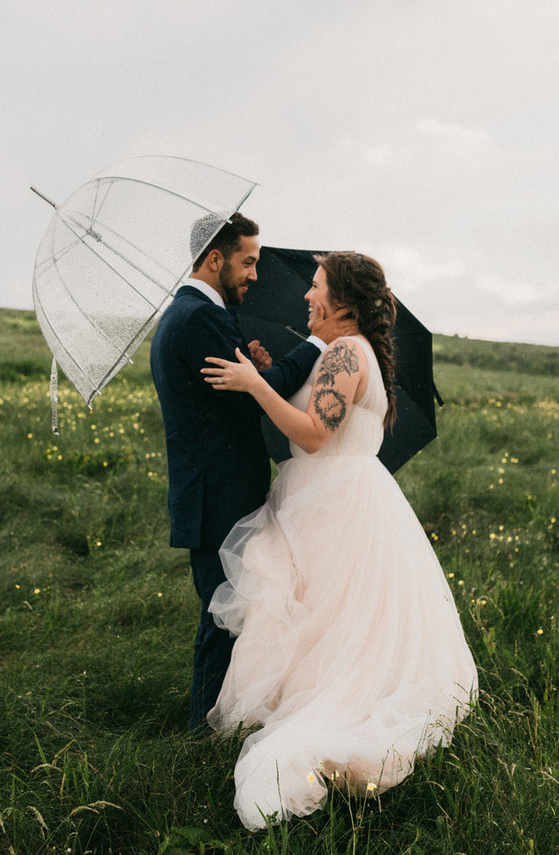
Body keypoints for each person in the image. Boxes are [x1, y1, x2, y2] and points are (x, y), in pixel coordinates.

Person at [202, 251, 479, 830]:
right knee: (327, 619)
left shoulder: (347, 351)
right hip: (329, 498)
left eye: (317, 286)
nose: (307, 295)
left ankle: (318, 718)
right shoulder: (344, 353)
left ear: (344, 304)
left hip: (333, 503)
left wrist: (255, 385)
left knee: (329, 617)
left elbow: (313, 434)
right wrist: (271, 369)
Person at [150, 214, 354, 730]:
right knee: (223, 618)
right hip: (217, 493)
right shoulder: (198, 318)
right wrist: (315, 344)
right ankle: (201, 734)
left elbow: (235, 393)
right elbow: (247, 405)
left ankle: (211, 724)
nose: (255, 275)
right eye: (248, 261)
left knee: (228, 615)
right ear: (215, 259)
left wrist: (257, 371)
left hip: (211, 490)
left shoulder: (190, 314)